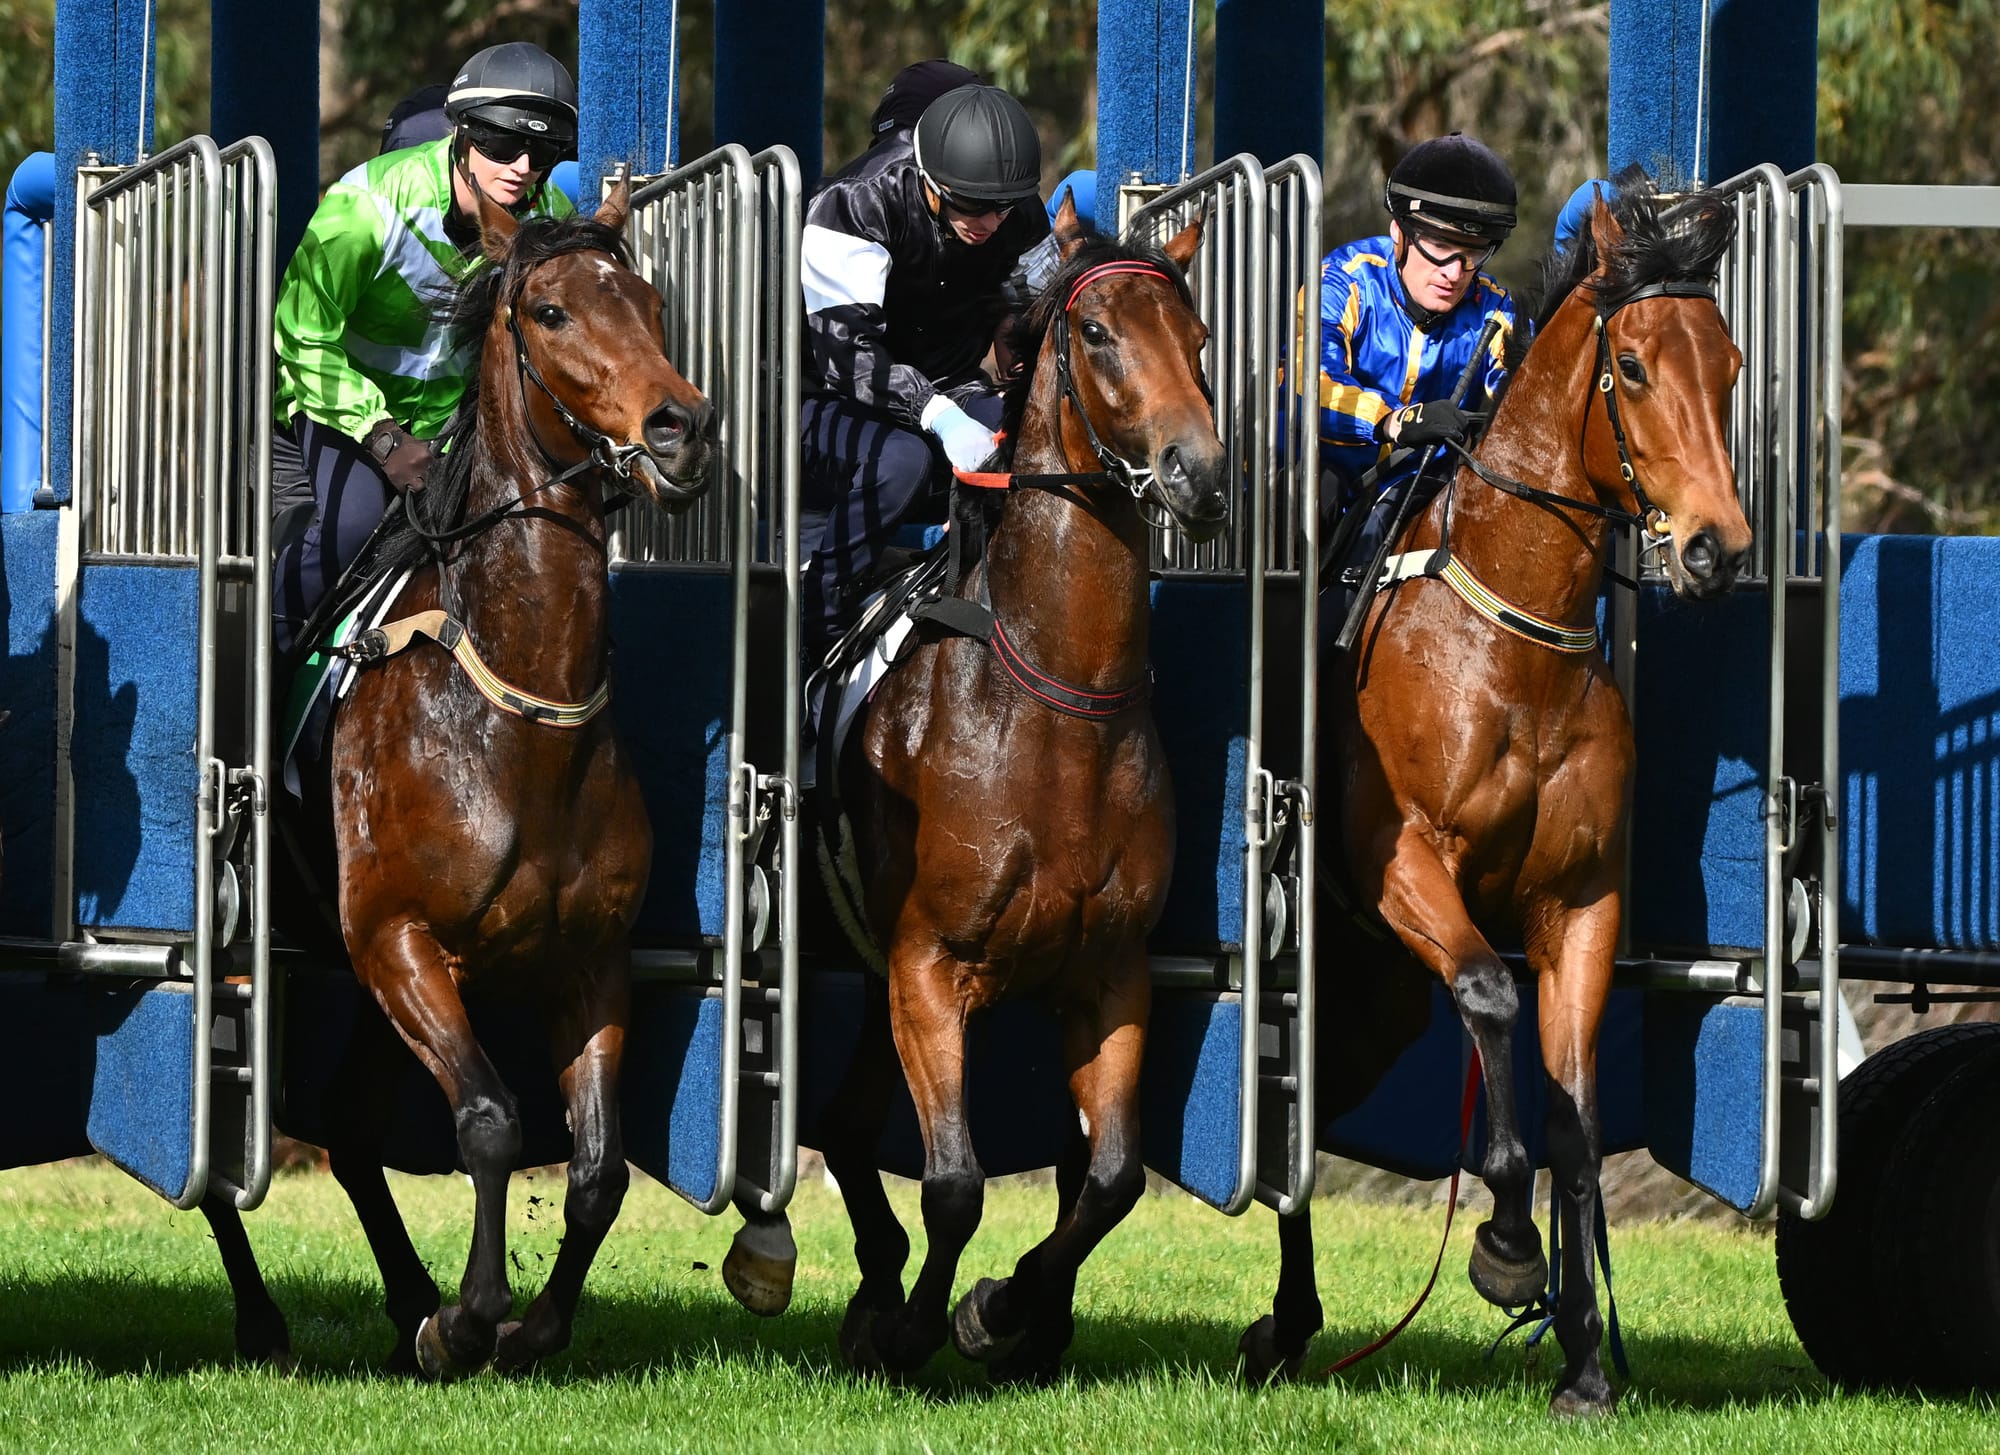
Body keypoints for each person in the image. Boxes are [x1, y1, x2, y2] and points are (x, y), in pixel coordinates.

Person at [271, 42, 578, 655]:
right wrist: (382, 435)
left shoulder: (550, 216)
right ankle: (269, 680)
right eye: (499, 143)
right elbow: (299, 332)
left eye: (541, 152)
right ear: (461, 135)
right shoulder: (365, 206)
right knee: (355, 529)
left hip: (453, 422)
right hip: (344, 411)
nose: (520, 166)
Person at [798, 81, 1050, 662]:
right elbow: (847, 355)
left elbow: (1039, 294)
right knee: (903, 462)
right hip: (828, 402)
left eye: (1001, 207)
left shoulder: (1015, 207)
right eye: (969, 204)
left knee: (1027, 439)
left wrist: (1015, 321)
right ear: (931, 181)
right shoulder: (854, 201)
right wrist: (936, 413)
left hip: (948, 389)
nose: (987, 221)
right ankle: (815, 637)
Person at [1316, 132, 1521, 527]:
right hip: (1330, 476)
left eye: (1474, 251)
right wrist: (1395, 420)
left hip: (1425, 489)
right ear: (1399, 232)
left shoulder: (1496, 309)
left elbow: (1521, 387)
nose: (1455, 272)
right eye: (1441, 245)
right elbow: (1301, 380)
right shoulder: (1344, 280)